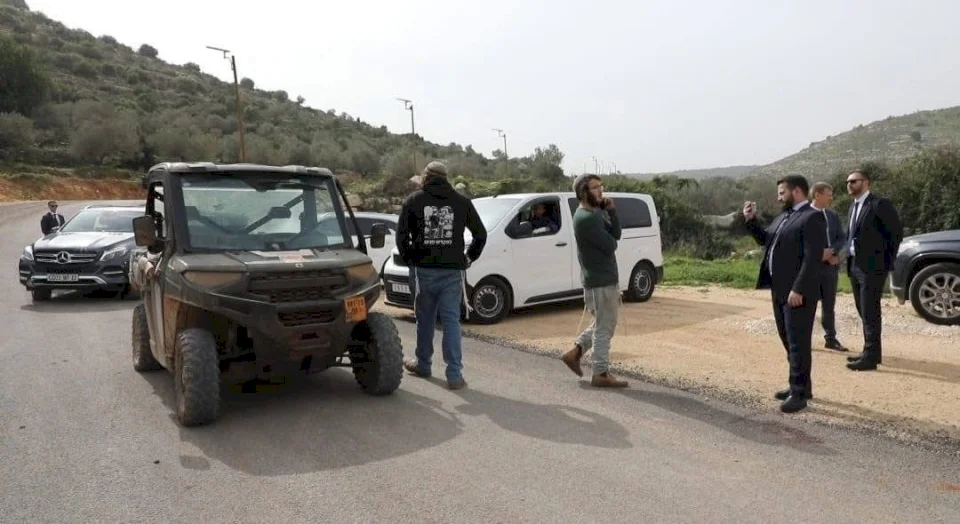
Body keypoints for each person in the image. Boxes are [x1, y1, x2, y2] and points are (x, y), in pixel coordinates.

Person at [396, 161, 487, 389]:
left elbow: (401, 237)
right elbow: (481, 234)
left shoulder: (414, 201)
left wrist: (411, 260)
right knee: (451, 322)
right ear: (446, 177)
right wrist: (468, 258)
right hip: (452, 272)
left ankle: (423, 364)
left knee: (424, 319)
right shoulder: (461, 202)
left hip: (423, 270)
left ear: (426, 177)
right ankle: (454, 375)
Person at [743, 175, 827, 413]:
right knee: (786, 338)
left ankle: (799, 394)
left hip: (798, 292)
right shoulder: (784, 216)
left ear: (797, 191)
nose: (779, 197)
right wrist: (751, 221)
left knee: (798, 342)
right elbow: (766, 240)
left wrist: (799, 288)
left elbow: (813, 258)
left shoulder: (812, 217)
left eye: (782, 192)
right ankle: (800, 385)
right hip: (779, 289)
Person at [559, 174, 629, 388]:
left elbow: (616, 234)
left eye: (601, 186)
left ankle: (576, 352)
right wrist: (605, 216)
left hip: (601, 278)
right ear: (583, 192)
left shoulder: (594, 213)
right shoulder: (586, 218)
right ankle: (600, 372)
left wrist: (612, 211)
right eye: (595, 187)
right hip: (600, 280)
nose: (600, 191)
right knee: (605, 327)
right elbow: (611, 245)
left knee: (602, 323)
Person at [843, 169, 903, 371]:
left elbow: (895, 234)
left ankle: (870, 357)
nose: (849, 185)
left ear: (866, 183)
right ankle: (869, 351)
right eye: (847, 182)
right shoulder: (853, 207)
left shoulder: (879, 204)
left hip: (873, 268)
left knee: (870, 310)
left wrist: (886, 262)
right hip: (854, 265)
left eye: (854, 181)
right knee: (862, 309)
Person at [809, 182, 848, 352]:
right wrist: (819, 254)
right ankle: (803, 340)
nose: (831, 198)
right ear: (817, 195)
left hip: (830, 268)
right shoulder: (804, 215)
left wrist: (833, 252)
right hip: (810, 268)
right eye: (828, 194)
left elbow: (841, 237)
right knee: (808, 305)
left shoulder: (832, 216)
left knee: (829, 305)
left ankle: (830, 339)